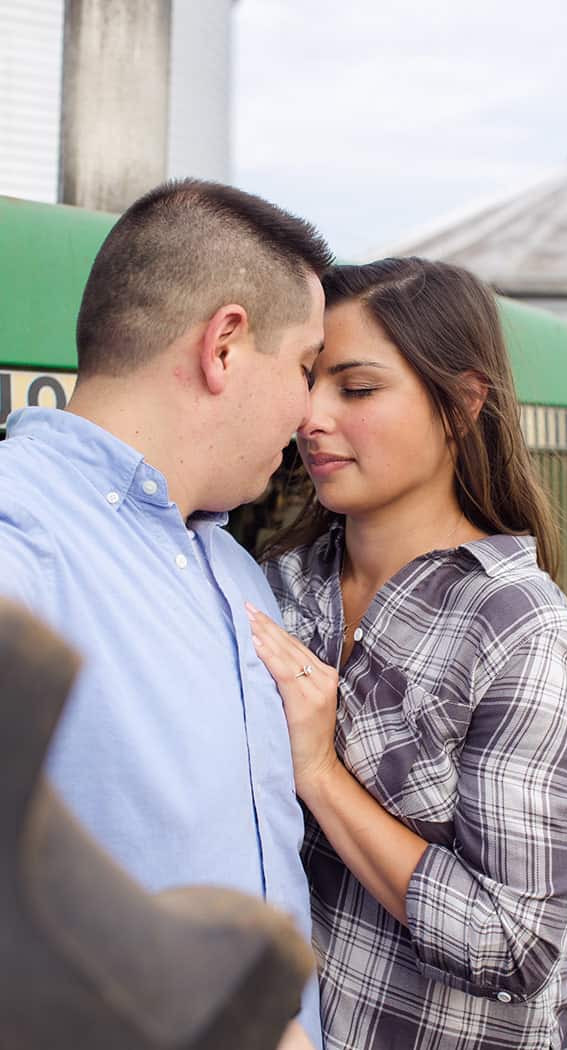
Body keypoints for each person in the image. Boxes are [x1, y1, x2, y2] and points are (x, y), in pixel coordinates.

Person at [0, 179, 334, 1050]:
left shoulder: (232, 569)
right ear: (224, 345)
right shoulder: (20, 534)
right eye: (304, 368)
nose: (309, 415)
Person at [247, 258, 567, 1050]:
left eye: (358, 388)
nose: (312, 416)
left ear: (463, 403)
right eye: (311, 380)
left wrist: (322, 776)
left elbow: (514, 944)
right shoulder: (277, 584)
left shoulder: (518, 631)